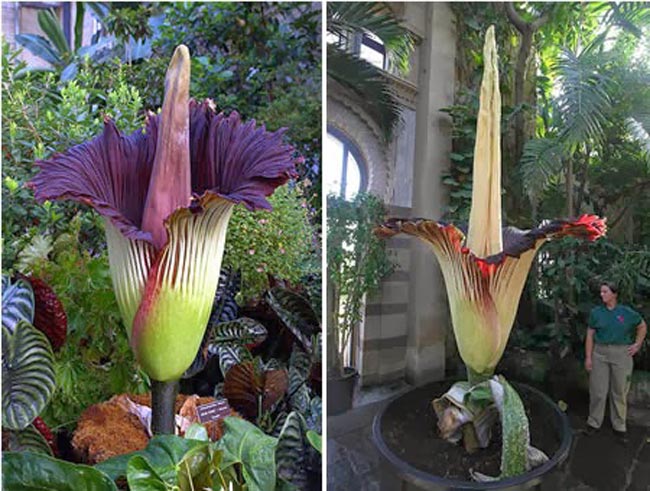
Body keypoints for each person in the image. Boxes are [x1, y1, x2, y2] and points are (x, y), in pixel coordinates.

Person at [584, 282, 647, 442]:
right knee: (598, 390)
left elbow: (642, 326)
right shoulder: (596, 313)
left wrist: (637, 344)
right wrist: (589, 357)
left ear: (614, 294)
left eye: (605, 292)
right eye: (601, 292)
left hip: (621, 353)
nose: (602, 295)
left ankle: (619, 426)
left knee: (619, 391)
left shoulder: (626, 313)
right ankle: (593, 422)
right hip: (600, 352)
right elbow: (590, 335)